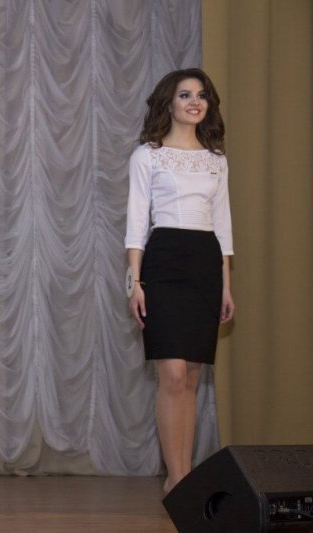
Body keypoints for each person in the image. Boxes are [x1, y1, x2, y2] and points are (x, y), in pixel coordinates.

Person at [125, 68, 235, 493]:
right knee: (171, 374)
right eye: (185, 94)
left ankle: (181, 479)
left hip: (205, 263)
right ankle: (178, 479)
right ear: (168, 103)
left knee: (190, 376)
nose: (194, 101)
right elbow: (136, 224)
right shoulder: (147, 156)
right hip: (163, 262)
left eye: (201, 95)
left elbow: (223, 227)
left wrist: (225, 286)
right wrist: (134, 283)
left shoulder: (216, 160)